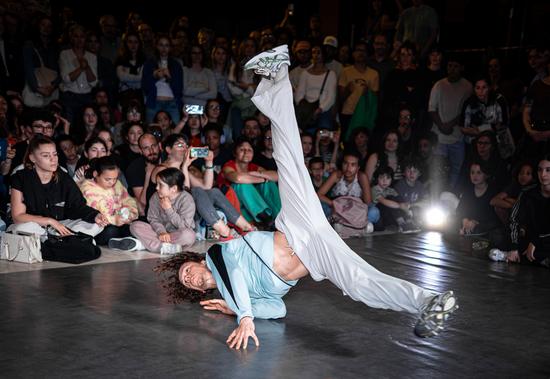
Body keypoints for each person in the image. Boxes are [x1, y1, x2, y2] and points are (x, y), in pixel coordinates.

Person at [156, 46, 458, 349]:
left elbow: (233, 270)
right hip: (314, 252)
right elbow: (278, 309)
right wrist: (235, 307)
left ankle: (278, 73)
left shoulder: (215, 256)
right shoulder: (235, 294)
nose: (191, 279)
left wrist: (244, 316)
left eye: (186, 272)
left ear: (195, 260)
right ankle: (431, 302)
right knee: (359, 284)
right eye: (188, 284)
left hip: (295, 228)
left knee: (288, 160)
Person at [9, 135, 107, 239]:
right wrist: (50, 221)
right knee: (24, 228)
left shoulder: (63, 177)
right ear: (32, 158)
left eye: (55, 154)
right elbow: (18, 217)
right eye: (46, 156)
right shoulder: (20, 178)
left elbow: (77, 206)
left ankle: (57, 240)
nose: (53, 159)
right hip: (35, 225)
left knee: (95, 225)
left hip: (60, 225)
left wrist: (95, 215)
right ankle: (63, 241)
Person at [130, 167, 196, 254]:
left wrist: (169, 210)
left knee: (189, 235)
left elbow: (184, 226)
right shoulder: (155, 197)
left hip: (177, 234)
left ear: (174, 189)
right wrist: (162, 232)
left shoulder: (187, 199)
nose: (157, 188)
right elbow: (153, 219)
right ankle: (164, 247)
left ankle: (148, 245)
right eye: (157, 184)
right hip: (159, 233)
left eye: (160, 185)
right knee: (135, 226)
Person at [79, 156, 139, 246]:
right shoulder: (87, 188)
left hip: (120, 221)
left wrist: (129, 214)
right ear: (95, 174)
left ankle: (121, 241)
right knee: (111, 231)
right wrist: (115, 220)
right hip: (100, 226)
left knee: (135, 226)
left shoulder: (117, 184)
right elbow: (97, 214)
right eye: (108, 179)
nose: (112, 182)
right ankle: (121, 240)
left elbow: (128, 200)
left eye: (115, 178)